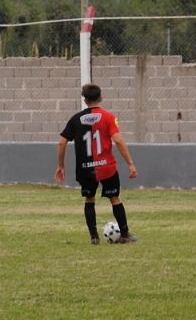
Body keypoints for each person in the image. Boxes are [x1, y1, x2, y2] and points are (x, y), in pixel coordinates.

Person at [55, 84, 139, 245]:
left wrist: (61, 165)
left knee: (89, 199)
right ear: (101, 98)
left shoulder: (75, 119)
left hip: (85, 168)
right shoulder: (108, 117)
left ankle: (94, 237)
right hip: (106, 167)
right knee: (114, 198)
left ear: (85, 100)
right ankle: (125, 235)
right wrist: (130, 163)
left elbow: (61, 142)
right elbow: (118, 140)